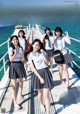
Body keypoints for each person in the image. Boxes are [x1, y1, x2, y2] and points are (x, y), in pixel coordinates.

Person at [28, 39, 54, 114]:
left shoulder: (43, 52)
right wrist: (40, 78)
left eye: (39, 45)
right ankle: (41, 104)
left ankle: (48, 112)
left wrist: (43, 55)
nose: (37, 46)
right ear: (32, 45)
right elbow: (33, 68)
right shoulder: (30, 55)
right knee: (40, 93)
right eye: (36, 45)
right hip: (38, 74)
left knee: (46, 94)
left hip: (46, 72)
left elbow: (48, 62)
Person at [8, 35, 26, 108]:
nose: (15, 41)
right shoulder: (11, 48)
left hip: (20, 64)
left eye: (16, 39)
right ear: (11, 41)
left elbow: (22, 59)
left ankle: (20, 94)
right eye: (14, 40)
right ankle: (15, 102)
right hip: (13, 66)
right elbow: (11, 60)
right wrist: (15, 53)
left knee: (21, 82)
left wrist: (21, 52)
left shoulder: (20, 47)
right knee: (14, 85)